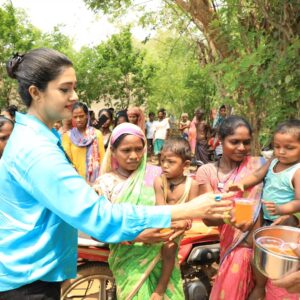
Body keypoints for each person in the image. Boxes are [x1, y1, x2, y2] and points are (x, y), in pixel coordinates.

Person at [0, 48, 232, 299]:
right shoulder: (37, 150)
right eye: (64, 89)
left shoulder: (40, 138)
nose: (74, 96)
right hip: (27, 282)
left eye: (74, 88)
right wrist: (190, 209)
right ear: (36, 92)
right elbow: (99, 216)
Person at [95, 124, 192, 299]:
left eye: (139, 149)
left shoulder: (157, 174)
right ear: (114, 151)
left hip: (162, 257)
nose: (134, 156)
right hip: (129, 262)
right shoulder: (106, 184)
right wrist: (136, 237)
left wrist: (183, 222)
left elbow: (176, 204)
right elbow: (98, 229)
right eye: (126, 150)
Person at [229, 119, 300, 300]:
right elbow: (258, 175)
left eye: (289, 147)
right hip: (265, 217)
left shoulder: (297, 171)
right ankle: (260, 287)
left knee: (283, 257)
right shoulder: (273, 161)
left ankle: (281, 291)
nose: (281, 151)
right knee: (258, 254)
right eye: (277, 146)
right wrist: (241, 184)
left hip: (286, 222)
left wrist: (282, 209)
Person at [196, 116, 265, 300]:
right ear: (220, 140)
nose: (241, 148)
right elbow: (207, 216)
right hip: (234, 250)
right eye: (234, 142)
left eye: (246, 142)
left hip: (265, 254)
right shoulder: (207, 172)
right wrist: (230, 215)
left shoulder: (259, 166)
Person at [153, 137, 199, 299]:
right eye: (163, 160)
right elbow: (160, 209)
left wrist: (184, 222)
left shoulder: (192, 185)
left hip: (178, 229)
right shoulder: (159, 181)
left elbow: (192, 213)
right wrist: (176, 221)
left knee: (170, 246)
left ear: (185, 165)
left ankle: (160, 289)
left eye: (171, 162)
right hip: (162, 222)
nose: (164, 165)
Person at [61, 102, 105, 184]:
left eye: (81, 116)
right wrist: (81, 181)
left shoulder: (96, 134)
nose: (78, 120)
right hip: (76, 181)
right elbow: (67, 162)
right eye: (75, 117)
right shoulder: (68, 136)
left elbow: (103, 159)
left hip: (97, 182)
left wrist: (100, 181)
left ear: (87, 116)